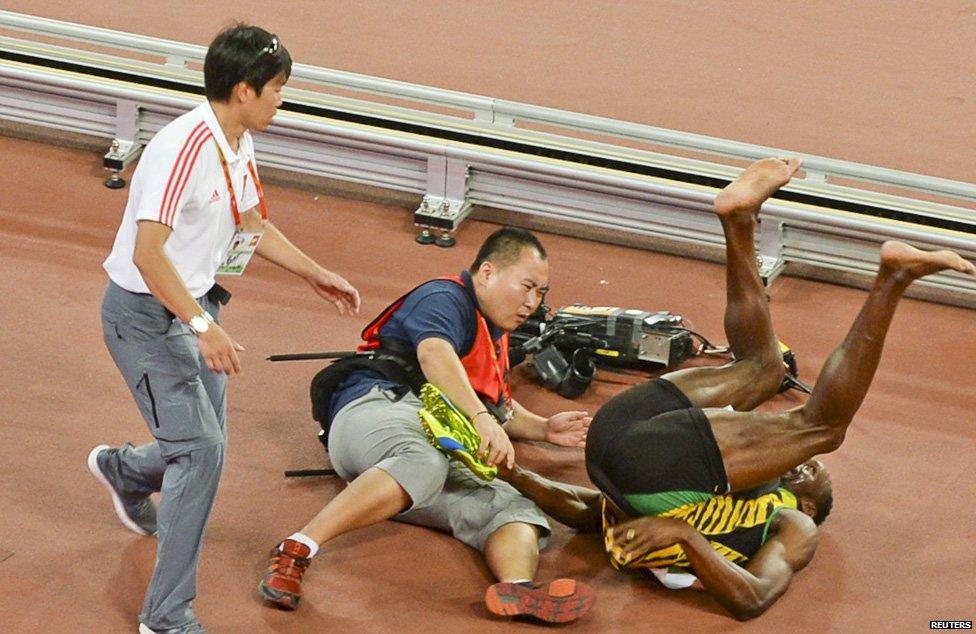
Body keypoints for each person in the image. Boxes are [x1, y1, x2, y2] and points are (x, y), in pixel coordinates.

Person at [462, 158, 975, 620]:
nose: (798, 465)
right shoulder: (712, 485)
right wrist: (683, 535)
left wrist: (517, 474)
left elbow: (748, 596)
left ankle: (757, 225)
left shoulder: (793, 525)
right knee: (778, 382)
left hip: (616, 458)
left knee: (795, 402)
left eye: (808, 476)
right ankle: (763, 228)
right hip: (633, 445)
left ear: (810, 505)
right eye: (805, 465)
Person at [88, 26, 360, 634]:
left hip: (192, 308)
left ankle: (125, 470)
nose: (281, 101)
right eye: (277, 91)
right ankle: (165, 615)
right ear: (244, 89)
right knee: (201, 449)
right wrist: (203, 324)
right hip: (145, 318)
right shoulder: (180, 148)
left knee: (204, 442)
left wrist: (315, 273)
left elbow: (251, 224)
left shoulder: (235, 141)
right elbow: (147, 254)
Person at [259, 227, 596, 624]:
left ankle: (518, 588)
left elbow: (498, 405)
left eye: (540, 293)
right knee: (424, 461)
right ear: (487, 273)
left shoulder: (494, 335)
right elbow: (435, 356)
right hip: (375, 407)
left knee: (511, 506)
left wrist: (543, 428)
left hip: (434, 439)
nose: (531, 302)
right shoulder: (445, 298)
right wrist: (481, 419)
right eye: (526, 286)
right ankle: (297, 548)